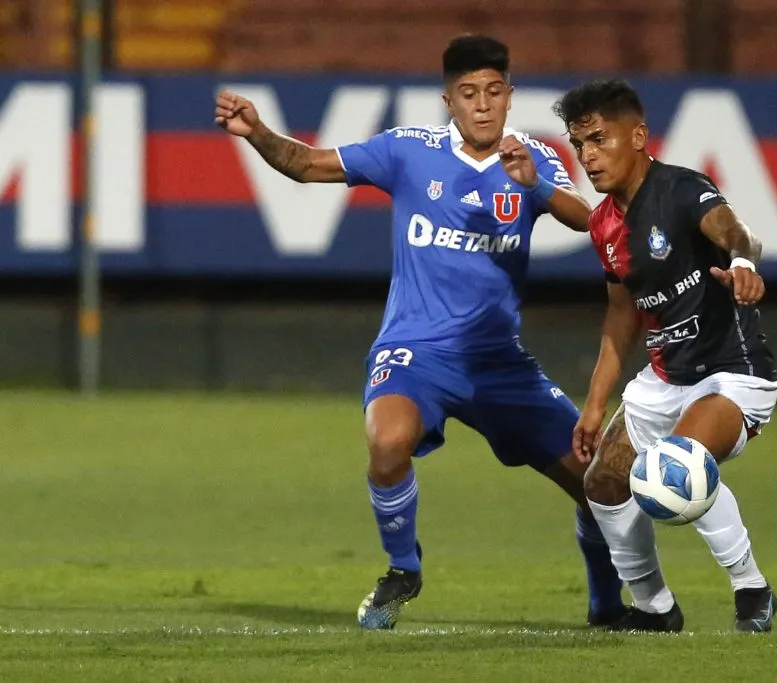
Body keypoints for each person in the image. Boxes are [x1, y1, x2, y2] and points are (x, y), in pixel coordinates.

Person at [213, 35, 626, 630]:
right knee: (386, 443)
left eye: (492, 92)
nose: (482, 105)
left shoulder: (533, 158)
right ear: (448, 102)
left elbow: (593, 222)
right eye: (467, 94)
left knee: (598, 482)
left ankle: (607, 608)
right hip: (417, 354)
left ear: (509, 97)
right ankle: (403, 568)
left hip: (499, 363)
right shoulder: (409, 150)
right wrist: (257, 132)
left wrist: (534, 184)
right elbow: (306, 165)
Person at [552, 79, 777, 633]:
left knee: (678, 466)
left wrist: (745, 264)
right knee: (603, 483)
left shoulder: (680, 190)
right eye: (578, 143)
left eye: (598, 139)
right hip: (664, 376)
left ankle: (752, 590)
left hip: (732, 371)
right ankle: (656, 609)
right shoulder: (605, 223)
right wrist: (594, 404)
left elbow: (736, 231)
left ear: (637, 136)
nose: (587, 156)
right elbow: (622, 316)